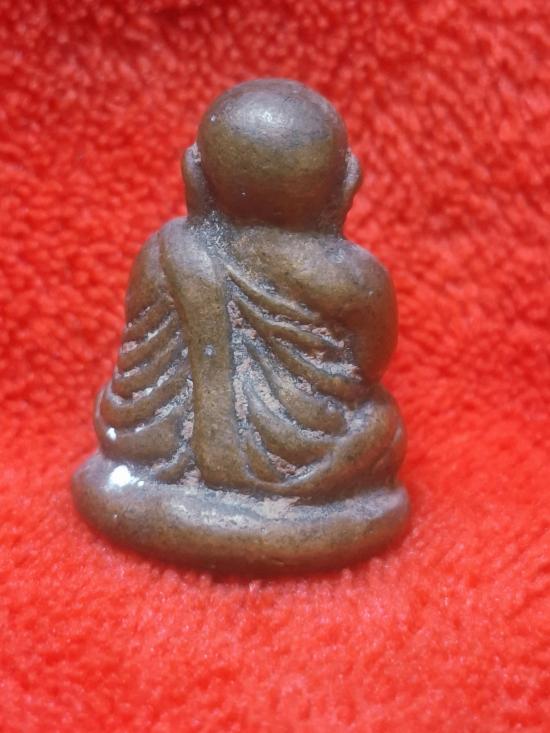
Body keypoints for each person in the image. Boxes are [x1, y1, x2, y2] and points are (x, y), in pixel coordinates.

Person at [74, 79, 409, 572]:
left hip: (150, 451)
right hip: (299, 465)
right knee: (379, 422)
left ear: (193, 175)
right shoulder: (352, 276)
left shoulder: (162, 252)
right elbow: (367, 367)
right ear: (347, 186)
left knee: (119, 407)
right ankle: (282, 505)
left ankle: (162, 486)